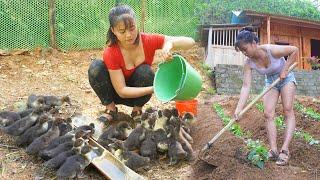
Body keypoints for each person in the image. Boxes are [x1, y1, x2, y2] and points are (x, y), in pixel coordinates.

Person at [88, 5, 195, 124]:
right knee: (95, 67)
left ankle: (137, 110)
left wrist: (168, 44)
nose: (129, 35)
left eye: (132, 28)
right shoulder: (111, 52)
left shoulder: (148, 40)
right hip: (115, 93)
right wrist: (154, 88)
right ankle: (110, 109)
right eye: (122, 31)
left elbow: (190, 42)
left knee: (146, 71)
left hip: (138, 94)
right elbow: (122, 91)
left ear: (136, 24)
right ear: (113, 30)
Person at [233, 26, 298, 166]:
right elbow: (245, 86)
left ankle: (285, 150)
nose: (244, 53)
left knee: (287, 110)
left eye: (245, 49)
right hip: (271, 82)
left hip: (286, 77)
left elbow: (295, 50)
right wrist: (238, 108)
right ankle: (274, 150)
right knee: (268, 113)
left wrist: (285, 69)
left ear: (254, 43)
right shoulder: (248, 63)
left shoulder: (271, 50)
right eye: (242, 51)